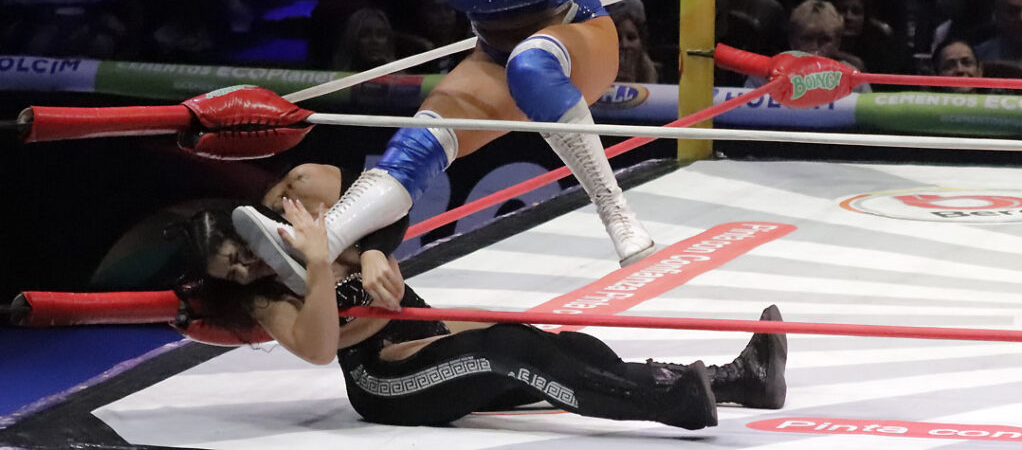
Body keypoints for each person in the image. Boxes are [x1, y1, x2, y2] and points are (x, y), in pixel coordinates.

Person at [234, 0, 657, 301]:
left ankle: (617, 213)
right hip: (495, 58)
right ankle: (318, 244)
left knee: (530, 62)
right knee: (418, 142)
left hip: (580, 39)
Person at [176, 194, 788, 430]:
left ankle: (740, 381)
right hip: (383, 380)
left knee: (560, 346)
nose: (244, 269)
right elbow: (318, 347)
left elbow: (376, 200)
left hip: (426, 335)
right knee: (509, 350)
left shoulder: (307, 224)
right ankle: (668, 403)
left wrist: (367, 252)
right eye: (229, 273)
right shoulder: (267, 297)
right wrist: (316, 267)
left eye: (240, 253)